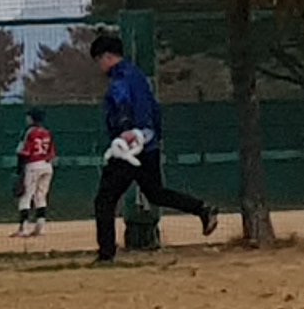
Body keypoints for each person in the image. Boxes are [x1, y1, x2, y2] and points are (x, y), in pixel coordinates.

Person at [90, 28, 215, 260]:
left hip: (129, 147)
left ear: (107, 56)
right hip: (148, 143)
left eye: (99, 60)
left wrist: (125, 129)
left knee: (104, 200)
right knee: (155, 193)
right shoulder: (139, 77)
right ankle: (201, 208)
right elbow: (154, 109)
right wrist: (155, 137)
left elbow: (121, 102)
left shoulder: (120, 78)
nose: (99, 66)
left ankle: (106, 253)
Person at [13, 114, 57, 239]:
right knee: (41, 196)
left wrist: (19, 170)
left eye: (28, 117)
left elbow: (23, 152)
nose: (26, 119)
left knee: (26, 196)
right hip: (47, 165)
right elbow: (52, 152)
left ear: (31, 118)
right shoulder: (47, 132)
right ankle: (40, 228)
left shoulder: (29, 132)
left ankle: (23, 229)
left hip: (33, 164)